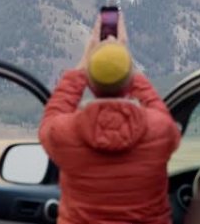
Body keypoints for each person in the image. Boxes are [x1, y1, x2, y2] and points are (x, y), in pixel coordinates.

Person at [39, 13, 181, 224]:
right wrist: (122, 61)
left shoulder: (65, 135)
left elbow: (53, 114)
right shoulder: (159, 130)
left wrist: (83, 64)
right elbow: (160, 112)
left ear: (90, 83)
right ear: (129, 81)